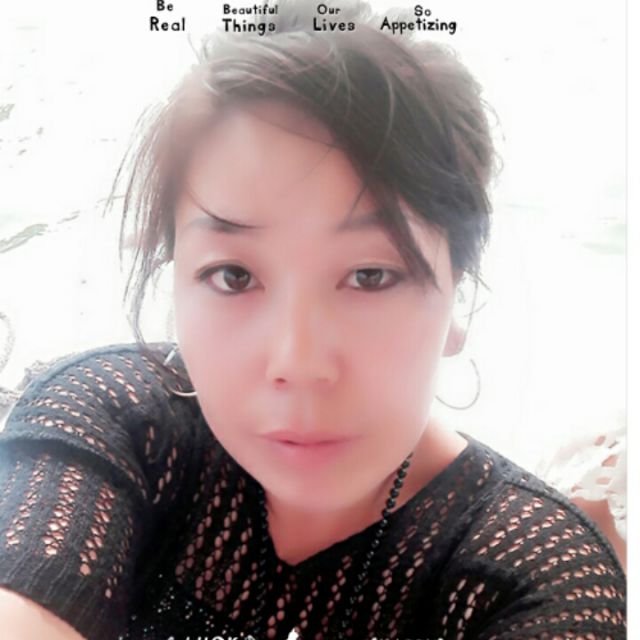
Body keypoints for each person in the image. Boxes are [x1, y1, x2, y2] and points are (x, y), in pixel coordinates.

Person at [0, 1, 626, 638]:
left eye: (371, 275)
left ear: (457, 290)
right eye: (233, 275)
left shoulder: (535, 577)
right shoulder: (119, 423)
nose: (297, 363)